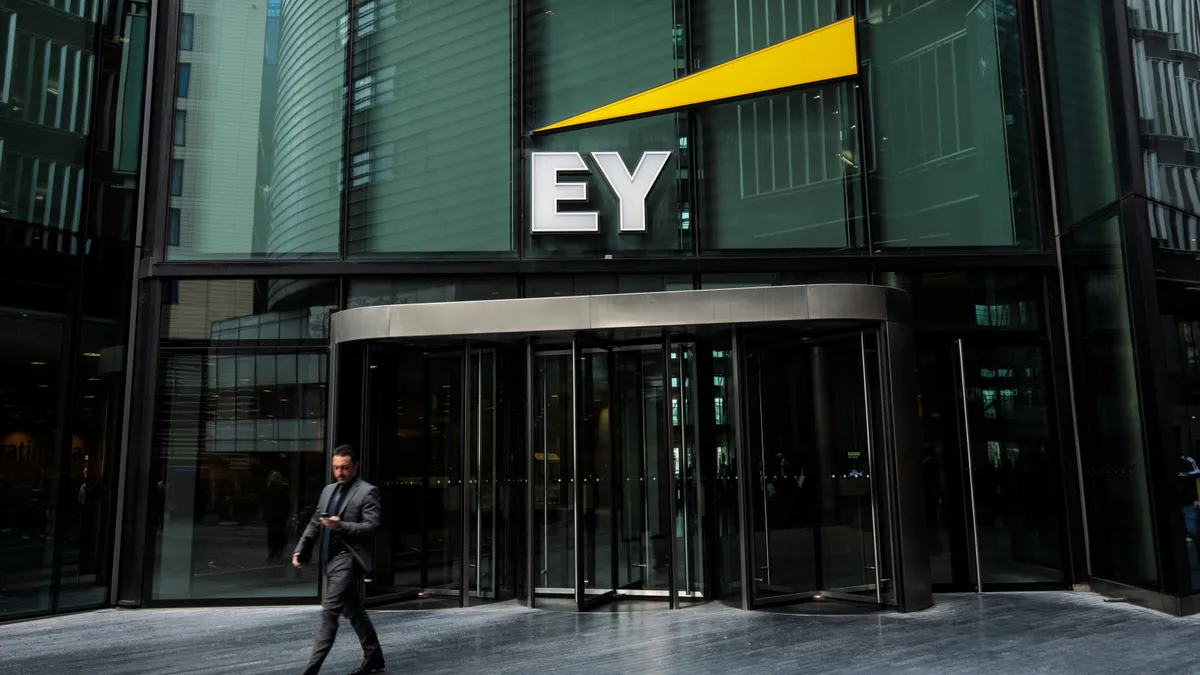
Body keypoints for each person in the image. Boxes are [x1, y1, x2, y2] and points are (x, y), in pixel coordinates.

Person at [294, 445, 385, 675]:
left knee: (330, 610)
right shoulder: (328, 491)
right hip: (329, 559)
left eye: (345, 467)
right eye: (336, 467)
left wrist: (340, 525)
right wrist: (301, 550)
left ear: (355, 466)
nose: (340, 472)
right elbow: (316, 523)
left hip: (348, 559)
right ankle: (374, 656)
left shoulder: (367, 492)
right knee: (353, 609)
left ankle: (311, 670)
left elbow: (371, 526)